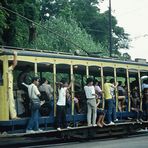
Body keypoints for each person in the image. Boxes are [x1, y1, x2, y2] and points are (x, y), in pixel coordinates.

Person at [8, 51, 19, 119]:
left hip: (9, 86)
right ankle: (13, 116)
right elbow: (15, 64)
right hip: (9, 87)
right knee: (11, 101)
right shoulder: (9, 69)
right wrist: (15, 54)